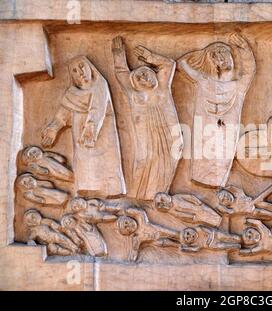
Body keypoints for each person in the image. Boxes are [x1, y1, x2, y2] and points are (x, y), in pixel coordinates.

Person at [178, 32, 256, 187]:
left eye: (226, 54)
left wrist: (245, 48)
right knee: (203, 162)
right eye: (218, 57)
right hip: (205, 132)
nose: (224, 59)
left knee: (221, 162)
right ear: (214, 63)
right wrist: (202, 54)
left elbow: (250, 70)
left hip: (227, 133)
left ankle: (218, 186)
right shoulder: (204, 81)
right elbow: (182, 63)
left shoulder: (238, 86)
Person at [41, 56, 126, 198]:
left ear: (90, 68)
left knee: (106, 166)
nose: (80, 72)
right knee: (85, 167)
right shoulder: (71, 94)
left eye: (82, 66)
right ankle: (88, 197)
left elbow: (97, 109)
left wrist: (90, 129)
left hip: (102, 137)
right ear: (72, 76)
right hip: (81, 139)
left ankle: (111, 194)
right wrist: (53, 129)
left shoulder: (100, 86)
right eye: (74, 70)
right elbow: (62, 116)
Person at [112, 36, 183, 201]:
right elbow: (121, 72)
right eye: (139, 78)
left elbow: (169, 65)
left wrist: (150, 57)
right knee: (144, 160)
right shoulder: (134, 94)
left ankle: (159, 194)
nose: (144, 78)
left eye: (145, 73)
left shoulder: (162, 86)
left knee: (170, 159)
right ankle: (138, 195)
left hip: (168, 133)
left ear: (153, 73)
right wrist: (118, 55)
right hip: (145, 133)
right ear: (135, 85)